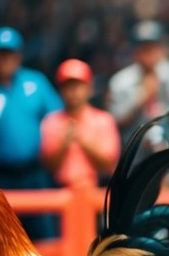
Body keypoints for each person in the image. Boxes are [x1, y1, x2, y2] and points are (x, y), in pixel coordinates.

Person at [0, 26, 62, 240]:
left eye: (9, 53)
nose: (4, 59)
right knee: (0, 242)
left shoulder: (35, 82)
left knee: (44, 239)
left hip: (34, 173)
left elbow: (57, 117)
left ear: (19, 55)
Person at [106, 20, 169, 162]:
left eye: (153, 47)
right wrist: (142, 96)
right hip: (134, 155)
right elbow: (116, 122)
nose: (149, 53)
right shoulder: (121, 81)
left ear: (161, 49)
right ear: (135, 51)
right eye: (143, 48)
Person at [40, 59, 121, 190]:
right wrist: (64, 144)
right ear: (61, 90)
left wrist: (82, 140)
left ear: (89, 88)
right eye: (68, 86)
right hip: (59, 192)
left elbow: (109, 165)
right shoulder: (51, 121)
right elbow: (48, 166)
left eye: (78, 85)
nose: (73, 91)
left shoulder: (104, 120)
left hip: (97, 191)